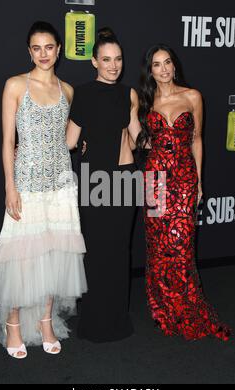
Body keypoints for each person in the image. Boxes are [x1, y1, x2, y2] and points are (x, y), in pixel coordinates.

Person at [0, 21, 87, 359]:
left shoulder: (69, 90)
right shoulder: (15, 85)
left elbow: (70, 141)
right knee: (22, 256)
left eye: (49, 47)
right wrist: (9, 187)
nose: (43, 54)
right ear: (29, 51)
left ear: (59, 49)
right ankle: (13, 323)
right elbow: (7, 141)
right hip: (26, 182)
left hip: (60, 182)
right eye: (36, 48)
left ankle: (46, 321)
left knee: (54, 254)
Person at [137, 44, 231, 341]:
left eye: (167, 63)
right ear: (149, 70)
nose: (163, 69)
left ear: (174, 66)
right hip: (154, 180)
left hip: (184, 179)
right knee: (157, 246)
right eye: (156, 64)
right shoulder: (144, 101)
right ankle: (162, 306)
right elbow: (135, 139)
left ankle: (186, 305)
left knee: (181, 244)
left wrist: (199, 182)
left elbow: (198, 140)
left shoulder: (192, 96)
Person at [66, 28, 141, 343]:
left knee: (119, 250)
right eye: (106, 59)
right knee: (95, 251)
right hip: (94, 180)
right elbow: (69, 141)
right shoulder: (82, 93)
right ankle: (95, 322)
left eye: (118, 59)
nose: (113, 65)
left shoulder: (130, 94)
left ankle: (117, 320)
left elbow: (138, 138)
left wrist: (168, 139)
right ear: (94, 61)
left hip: (124, 179)